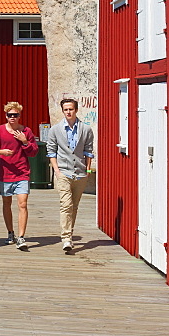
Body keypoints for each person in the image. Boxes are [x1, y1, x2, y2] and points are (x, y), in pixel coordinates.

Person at [46, 98, 95, 253]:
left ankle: (70, 234)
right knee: (66, 205)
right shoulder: (55, 130)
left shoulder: (86, 129)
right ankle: (66, 238)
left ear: (76, 110)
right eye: (66, 109)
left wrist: (87, 170)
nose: (68, 112)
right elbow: (51, 152)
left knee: (74, 207)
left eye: (71, 109)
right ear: (63, 111)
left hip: (80, 173)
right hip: (64, 172)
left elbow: (88, 151)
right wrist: (57, 172)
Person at [0, 102, 38, 250]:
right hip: (4, 173)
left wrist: (24, 141)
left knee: (22, 203)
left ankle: (21, 237)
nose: (12, 118)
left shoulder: (26, 131)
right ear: (6, 116)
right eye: (10, 115)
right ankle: (10, 233)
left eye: (15, 115)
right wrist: (0, 152)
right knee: (6, 203)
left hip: (22, 173)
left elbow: (34, 152)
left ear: (19, 116)